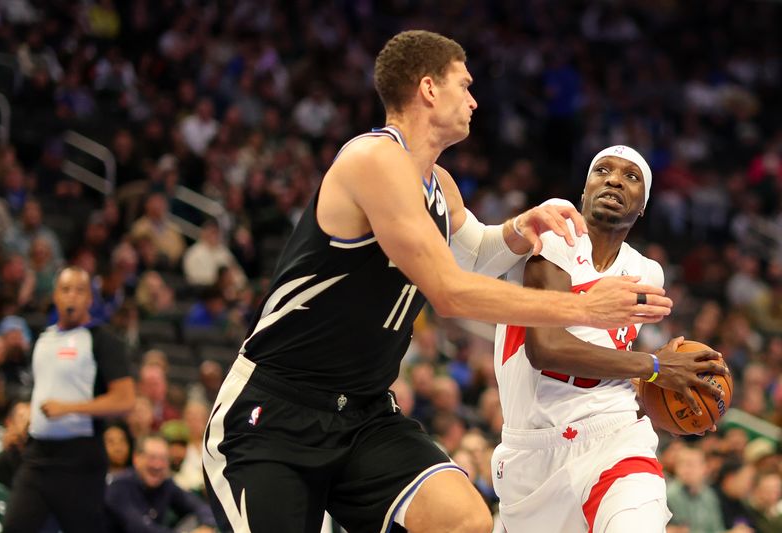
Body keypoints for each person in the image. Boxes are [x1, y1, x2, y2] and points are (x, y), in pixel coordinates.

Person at [203, 31, 674, 533]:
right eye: (465, 85)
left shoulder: (439, 182)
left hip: (363, 412)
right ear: (429, 89)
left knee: (465, 520)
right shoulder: (374, 160)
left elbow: (473, 255)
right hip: (276, 411)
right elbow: (450, 291)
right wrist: (584, 308)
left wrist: (520, 228)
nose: (474, 99)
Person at [490, 145, 729, 532]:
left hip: (615, 440)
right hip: (531, 453)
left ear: (643, 205)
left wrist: (672, 398)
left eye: (631, 176)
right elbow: (546, 349)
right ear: (583, 192)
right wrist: (654, 368)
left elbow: (609, 354)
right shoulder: (553, 237)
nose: (615, 179)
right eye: (602, 170)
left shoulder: (647, 272)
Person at [1, 266, 135, 533]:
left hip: (81, 460)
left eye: (80, 290)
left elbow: (125, 400)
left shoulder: (103, 340)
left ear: (90, 299)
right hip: (38, 456)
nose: (72, 296)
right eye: (65, 290)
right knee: (14, 526)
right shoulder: (43, 340)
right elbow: (45, 392)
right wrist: (28, 415)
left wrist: (69, 408)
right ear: (55, 296)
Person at [105, 434, 216, 533]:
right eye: (152, 458)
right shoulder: (118, 487)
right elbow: (139, 528)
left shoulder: (166, 484)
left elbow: (200, 507)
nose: (157, 465)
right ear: (136, 458)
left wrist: (207, 526)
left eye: (163, 459)